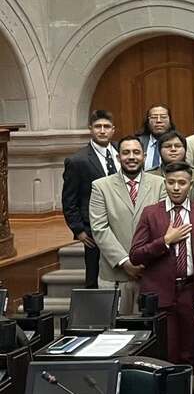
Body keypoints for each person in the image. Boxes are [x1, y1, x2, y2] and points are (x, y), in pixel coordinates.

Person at [128, 161, 194, 364]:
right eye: (171, 183)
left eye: (181, 183)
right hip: (160, 294)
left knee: (189, 353)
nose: (176, 188)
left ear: (190, 184)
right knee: (167, 354)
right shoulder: (151, 213)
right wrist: (165, 241)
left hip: (191, 292)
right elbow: (135, 255)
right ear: (165, 184)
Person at [90, 135, 167, 314]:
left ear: (144, 156)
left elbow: (162, 226)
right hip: (115, 276)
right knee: (114, 333)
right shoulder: (100, 187)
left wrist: (143, 259)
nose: (131, 157)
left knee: (149, 333)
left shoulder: (160, 184)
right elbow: (100, 229)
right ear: (118, 158)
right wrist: (125, 262)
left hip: (149, 272)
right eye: (126, 153)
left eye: (136, 152)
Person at [62, 109, 117, 288]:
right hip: (92, 228)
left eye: (106, 126)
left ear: (113, 130)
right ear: (90, 130)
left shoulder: (122, 153)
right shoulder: (77, 160)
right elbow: (69, 200)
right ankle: (95, 314)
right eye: (98, 126)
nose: (102, 130)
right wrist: (78, 230)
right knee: (94, 276)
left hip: (121, 223)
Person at [149, 131, 194, 199]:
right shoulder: (150, 175)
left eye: (178, 146)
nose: (173, 149)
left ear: (185, 150)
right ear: (160, 151)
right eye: (168, 146)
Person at [137, 104, 173, 171]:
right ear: (147, 121)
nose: (159, 121)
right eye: (154, 117)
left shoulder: (177, 143)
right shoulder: (138, 142)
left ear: (170, 121)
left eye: (163, 117)